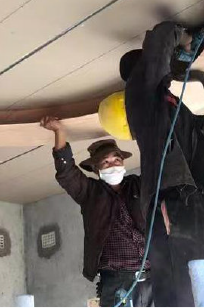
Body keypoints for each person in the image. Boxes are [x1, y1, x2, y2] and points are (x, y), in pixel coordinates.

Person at [121, 21, 204, 308]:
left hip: (200, 216)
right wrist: (186, 40)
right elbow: (161, 39)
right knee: (195, 300)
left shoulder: (181, 117)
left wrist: (202, 78)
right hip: (182, 210)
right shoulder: (141, 99)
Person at [40, 116, 154, 308]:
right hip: (117, 281)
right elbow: (67, 173)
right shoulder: (90, 193)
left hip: (151, 278)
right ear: (96, 169)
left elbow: (157, 166)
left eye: (116, 160)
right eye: (106, 162)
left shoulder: (138, 185)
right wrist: (59, 131)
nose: (113, 165)